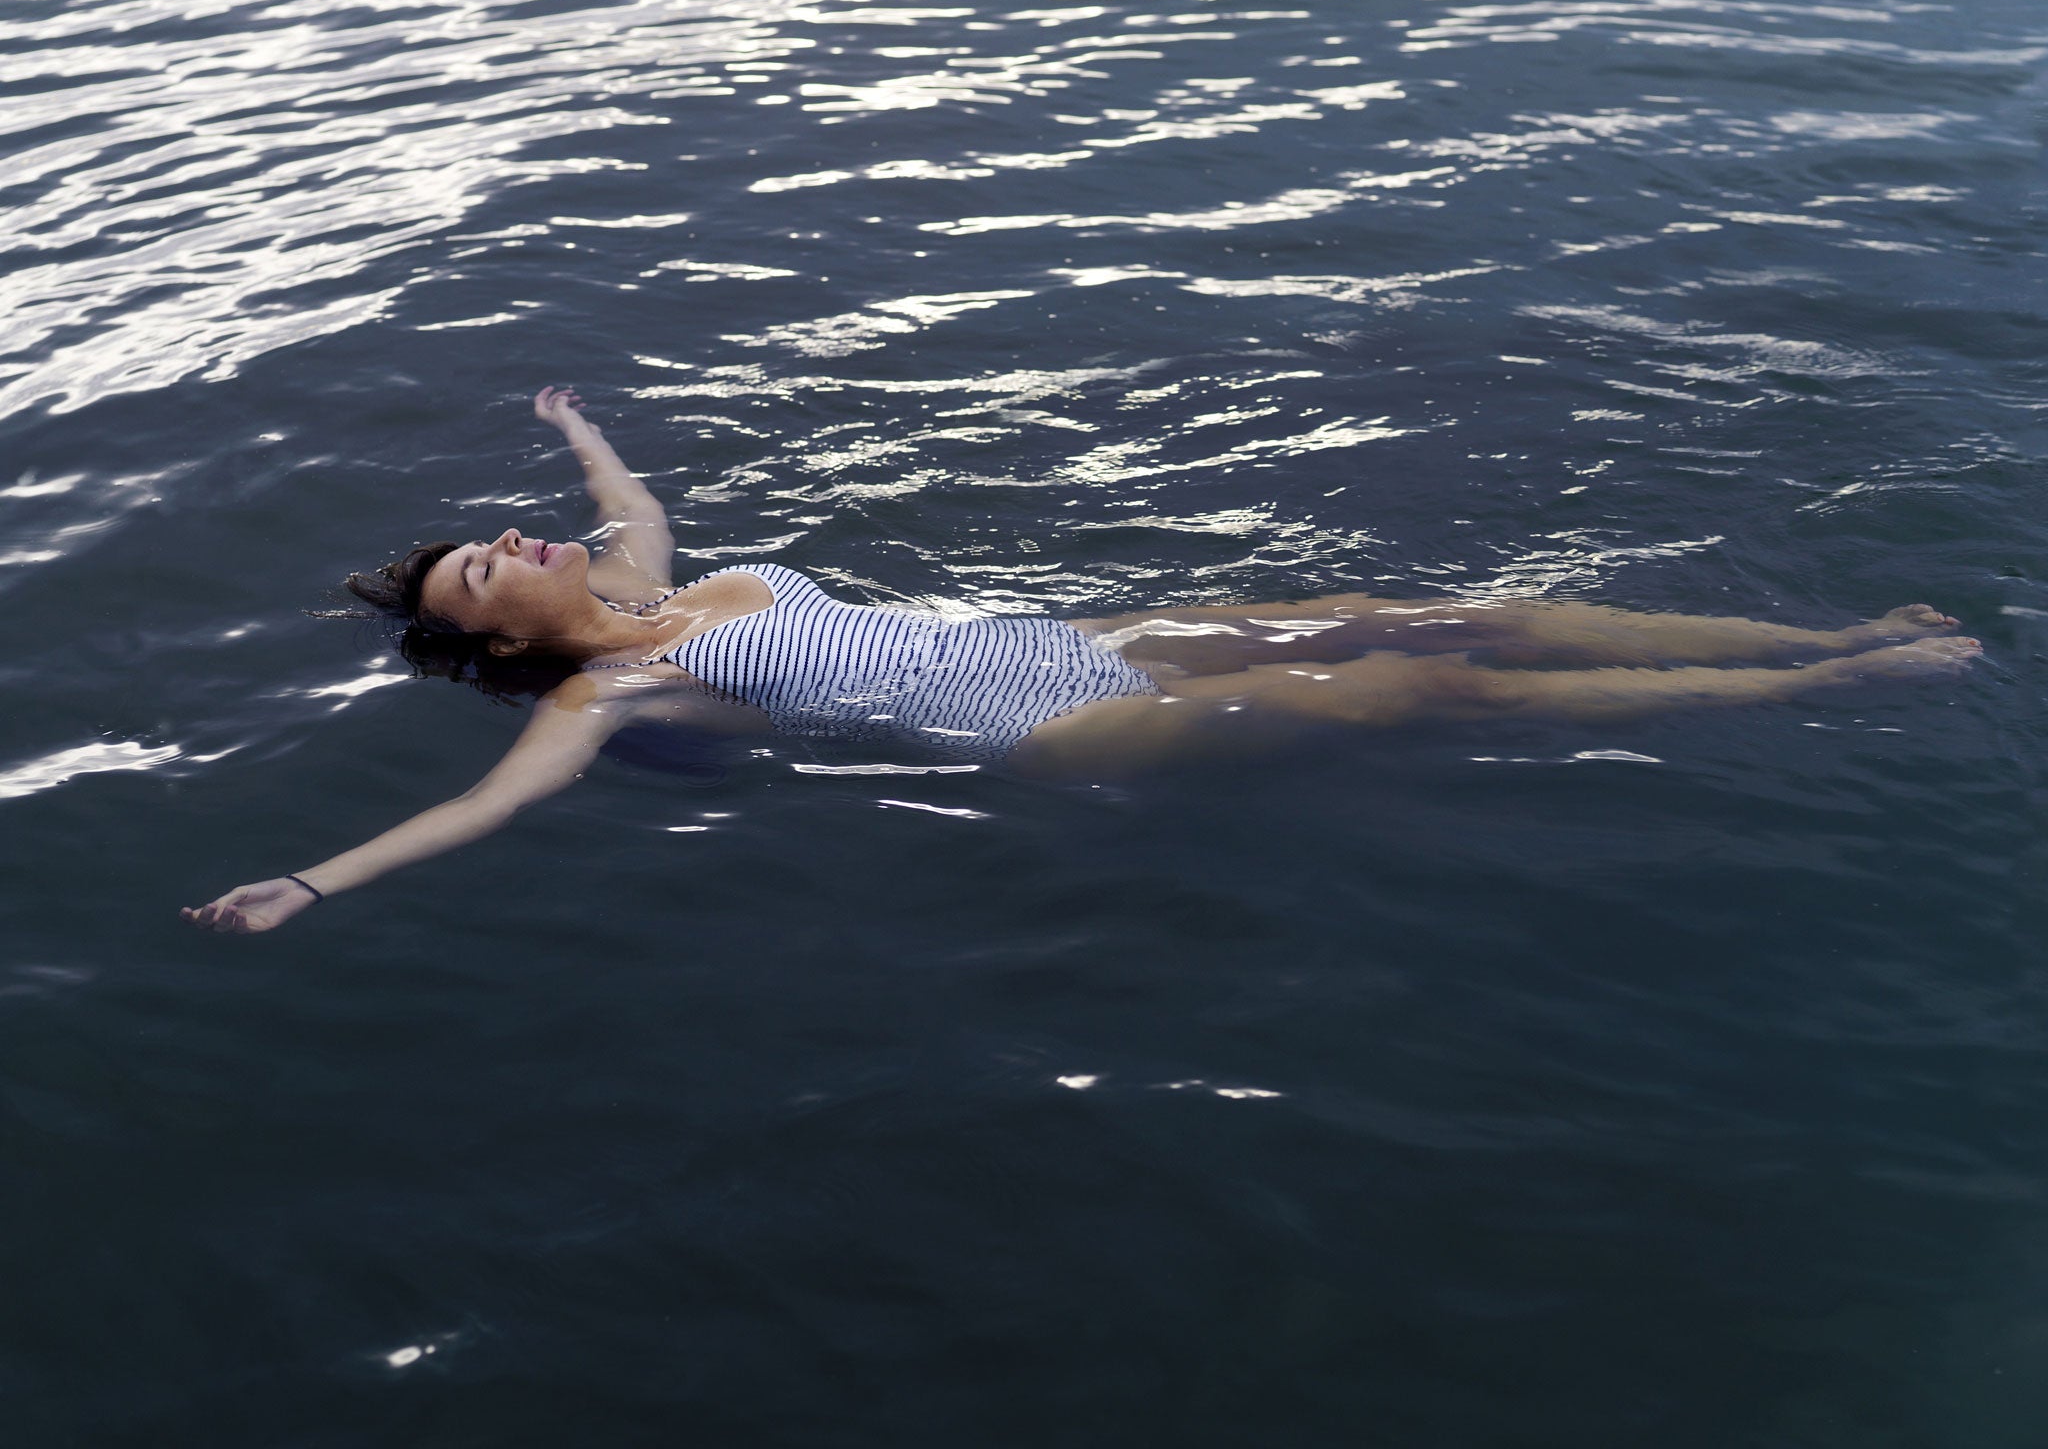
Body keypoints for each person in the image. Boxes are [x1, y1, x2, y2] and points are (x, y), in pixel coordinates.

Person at [182, 387, 1981, 933]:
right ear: (488, 633)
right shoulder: (606, 688)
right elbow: (496, 809)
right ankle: (1829, 689)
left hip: (1076, 635)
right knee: (1427, 690)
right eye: (475, 572)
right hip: (1062, 733)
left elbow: (633, 494)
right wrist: (312, 876)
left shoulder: (668, 576)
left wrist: (579, 434)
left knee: (1420, 607)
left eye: (491, 530)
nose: (507, 543)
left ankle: (1822, 628)